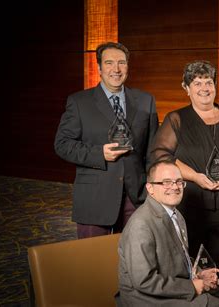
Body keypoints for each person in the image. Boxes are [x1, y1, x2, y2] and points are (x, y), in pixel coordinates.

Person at [150, 60, 219, 291]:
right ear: (186, 87)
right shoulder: (176, 120)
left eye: (209, 82)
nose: (204, 87)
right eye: (197, 82)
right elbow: (160, 155)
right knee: (193, 272)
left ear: (215, 85)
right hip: (191, 212)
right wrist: (195, 176)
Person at [54, 42, 158, 239]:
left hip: (135, 197)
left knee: (134, 261)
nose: (116, 69)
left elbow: (153, 149)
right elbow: (62, 144)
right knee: (93, 263)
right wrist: (99, 154)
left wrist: (152, 187)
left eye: (121, 63)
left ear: (128, 66)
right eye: (109, 63)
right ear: (100, 68)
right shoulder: (79, 102)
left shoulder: (146, 100)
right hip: (95, 196)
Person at [116, 161, 219, 306]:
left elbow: (177, 257)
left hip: (170, 286)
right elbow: (144, 281)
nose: (174, 187)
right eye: (166, 182)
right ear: (150, 188)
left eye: (179, 182)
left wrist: (198, 273)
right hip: (145, 299)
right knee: (215, 304)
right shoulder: (140, 225)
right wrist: (191, 287)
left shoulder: (175, 215)